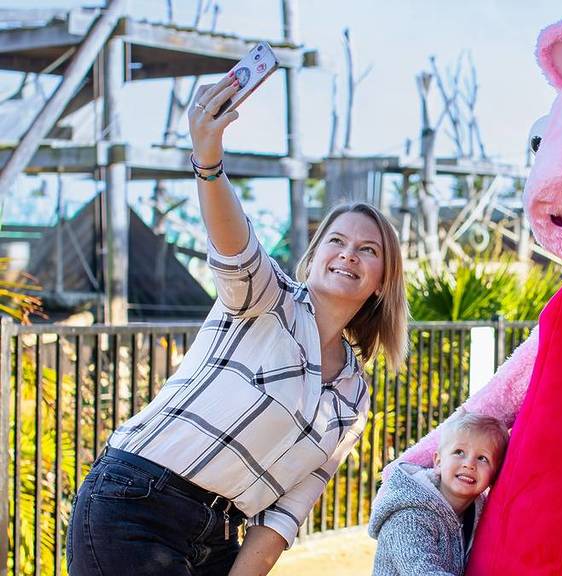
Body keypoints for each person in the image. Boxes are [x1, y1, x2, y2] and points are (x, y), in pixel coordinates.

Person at [66, 72, 409, 576]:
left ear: (382, 280)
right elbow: (236, 247)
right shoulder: (269, 302)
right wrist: (208, 163)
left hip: (221, 536)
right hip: (136, 502)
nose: (348, 255)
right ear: (312, 259)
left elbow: (286, 513)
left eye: (368, 250)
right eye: (336, 241)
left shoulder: (354, 395)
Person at [369, 412, 510, 575]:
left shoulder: (478, 514)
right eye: (459, 452)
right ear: (438, 462)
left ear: (495, 474)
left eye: (482, 458)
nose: (469, 464)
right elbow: (422, 571)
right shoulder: (408, 518)